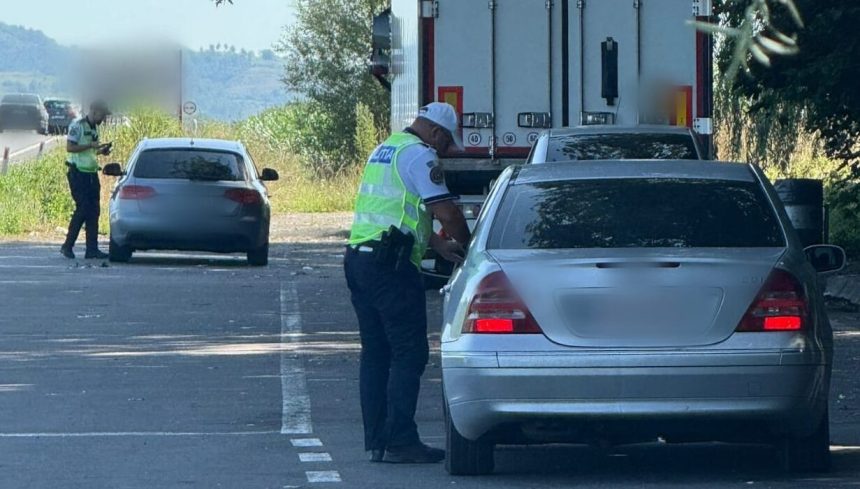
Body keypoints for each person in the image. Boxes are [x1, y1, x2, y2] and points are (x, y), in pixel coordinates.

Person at [344, 102, 471, 464]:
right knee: (409, 352)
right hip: (391, 268)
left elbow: (399, 210)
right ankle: (400, 439)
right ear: (436, 132)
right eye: (446, 142)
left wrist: (437, 245)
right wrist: (470, 245)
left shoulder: (386, 148)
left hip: (360, 259)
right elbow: (447, 212)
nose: (445, 151)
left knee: (376, 352)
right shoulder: (420, 156)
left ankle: (377, 441)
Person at [60, 100, 112, 260]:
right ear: (94, 111)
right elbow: (70, 147)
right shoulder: (78, 125)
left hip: (91, 173)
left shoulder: (94, 127)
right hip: (78, 174)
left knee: (94, 211)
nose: (103, 119)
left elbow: (91, 151)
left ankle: (92, 249)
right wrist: (90, 145)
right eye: (102, 115)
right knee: (82, 209)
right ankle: (67, 246)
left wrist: (102, 151)